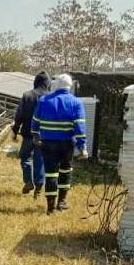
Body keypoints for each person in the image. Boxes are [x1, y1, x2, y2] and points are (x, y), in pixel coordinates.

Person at [30, 73, 88, 215]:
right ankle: (61, 202)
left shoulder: (44, 101)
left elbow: (35, 121)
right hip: (67, 144)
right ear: (70, 86)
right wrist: (82, 147)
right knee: (65, 172)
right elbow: (79, 127)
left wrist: (35, 135)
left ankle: (50, 208)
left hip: (48, 144)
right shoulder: (76, 102)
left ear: (55, 85)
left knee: (50, 174)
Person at [12, 71, 50, 197]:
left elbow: (20, 115)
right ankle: (38, 188)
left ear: (35, 82)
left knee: (25, 157)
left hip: (28, 134)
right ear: (47, 83)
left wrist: (15, 131)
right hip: (44, 136)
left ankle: (28, 181)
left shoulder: (27, 95)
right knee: (40, 160)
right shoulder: (51, 97)